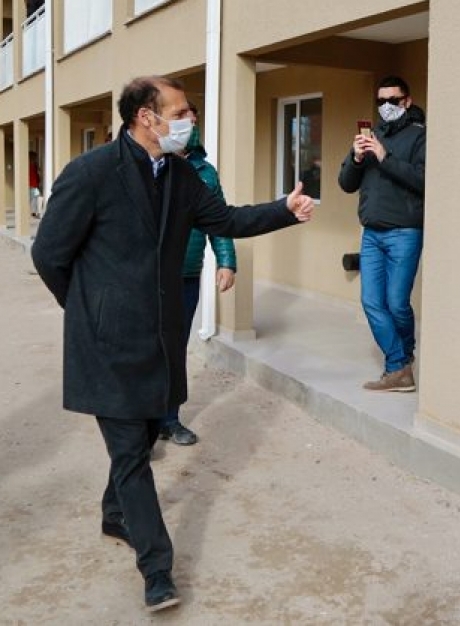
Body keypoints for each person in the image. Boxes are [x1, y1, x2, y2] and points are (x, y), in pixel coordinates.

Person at [31, 76, 314, 612]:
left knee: (140, 435)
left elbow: (225, 220)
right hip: (108, 343)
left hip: (158, 337)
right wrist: (89, 311)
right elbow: (48, 253)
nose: (191, 120)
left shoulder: (181, 174)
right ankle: (157, 568)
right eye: (181, 111)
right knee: (131, 453)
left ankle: (114, 514)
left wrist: (283, 209)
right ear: (146, 116)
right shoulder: (91, 173)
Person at [338, 75, 425, 392]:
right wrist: (356, 157)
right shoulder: (372, 135)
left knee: (397, 303)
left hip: (404, 232)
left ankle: (405, 354)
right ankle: (398, 366)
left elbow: (424, 180)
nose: (386, 106)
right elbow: (346, 184)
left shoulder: (420, 136)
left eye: (393, 100)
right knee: (372, 302)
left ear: (407, 101)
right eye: (381, 101)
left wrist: (385, 157)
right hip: (371, 234)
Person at [158, 109, 236, 446]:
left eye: (191, 121)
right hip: (149, 276)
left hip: (187, 274)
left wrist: (226, 261)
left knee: (175, 348)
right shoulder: (151, 166)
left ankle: (169, 419)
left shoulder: (204, 172)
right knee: (147, 348)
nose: (185, 127)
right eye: (179, 119)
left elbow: (220, 219)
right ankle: (140, 427)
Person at [28, 151, 41, 217]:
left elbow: (37, 175)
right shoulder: (32, 166)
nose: (36, 159)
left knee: (34, 198)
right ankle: (33, 212)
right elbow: (37, 174)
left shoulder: (34, 166)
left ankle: (33, 212)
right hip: (33, 185)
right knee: (34, 198)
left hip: (33, 184)